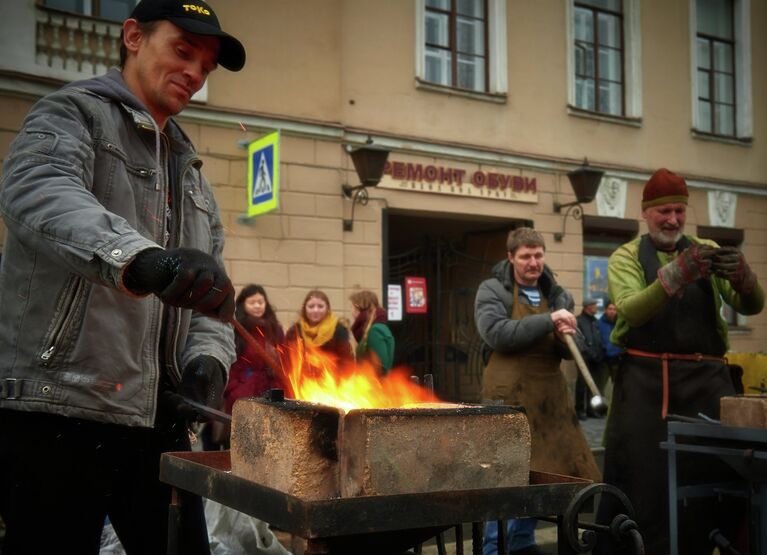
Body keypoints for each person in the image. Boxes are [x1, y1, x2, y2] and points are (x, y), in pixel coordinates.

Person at [0, 1, 245, 553]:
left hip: (157, 427)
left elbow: (213, 300)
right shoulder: (72, 114)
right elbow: (39, 190)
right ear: (133, 36)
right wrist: (141, 258)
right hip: (60, 412)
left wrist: (207, 362)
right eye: (183, 51)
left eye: (205, 67)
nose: (194, 73)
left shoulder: (195, 181)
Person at [596, 168, 764, 554]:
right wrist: (672, 277)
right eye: (663, 212)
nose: (672, 219)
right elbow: (632, 311)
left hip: (708, 387)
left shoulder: (704, 248)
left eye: (678, 211)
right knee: (644, 486)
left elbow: (751, 305)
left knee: (717, 480)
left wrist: (745, 279)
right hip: (646, 391)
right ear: (645, 214)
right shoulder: (625, 257)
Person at [475, 227, 600, 555]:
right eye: (526, 256)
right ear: (511, 258)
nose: (533, 262)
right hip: (509, 396)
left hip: (549, 399)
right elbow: (496, 334)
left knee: (546, 471)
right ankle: (493, 547)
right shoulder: (492, 290)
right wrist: (549, 320)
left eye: (538, 255)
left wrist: (566, 334)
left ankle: (522, 542)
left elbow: (575, 350)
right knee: (507, 474)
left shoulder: (558, 295)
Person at [285, 289, 354, 366]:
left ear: (327, 309)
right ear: (305, 309)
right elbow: (288, 360)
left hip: (331, 376)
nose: (315, 310)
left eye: (320, 306)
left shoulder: (338, 330)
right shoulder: (295, 331)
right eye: (311, 307)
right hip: (301, 377)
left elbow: (346, 361)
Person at [349, 290, 395, 373]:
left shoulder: (375, 330)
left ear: (358, 308)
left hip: (373, 384)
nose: (351, 311)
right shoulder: (370, 328)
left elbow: (381, 367)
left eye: (351, 307)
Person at [574, 298, 605, 420]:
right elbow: (579, 341)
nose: (596, 307)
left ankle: (592, 410)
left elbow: (599, 339)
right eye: (594, 305)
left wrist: (599, 353)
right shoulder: (578, 321)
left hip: (596, 358)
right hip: (584, 358)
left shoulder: (595, 321)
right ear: (588, 307)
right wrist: (590, 352)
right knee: (582, 385)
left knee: (594, 386)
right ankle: (580, 410)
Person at [597, 300, 623, 381]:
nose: (612, 311)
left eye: (614, 309)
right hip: (603, 360)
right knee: (600, 385)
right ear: (605, 310)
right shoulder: (598, 323)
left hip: (617, 359)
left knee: (617, 385)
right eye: (610, 309)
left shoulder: (620, 324)